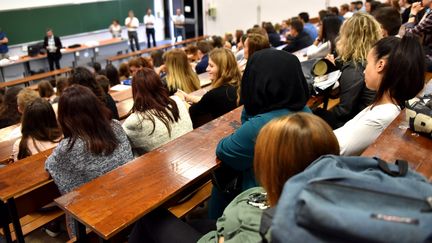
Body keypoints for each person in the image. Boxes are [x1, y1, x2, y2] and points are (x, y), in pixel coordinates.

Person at [128, 113, 340, 243]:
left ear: (273, 166)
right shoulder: (329, 201)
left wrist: (222, 238)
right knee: (197, 224)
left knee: (150, 216)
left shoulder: (268, 226)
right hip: (227, 228)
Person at [209, 48, 311, 219]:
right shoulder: (306, 112)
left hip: (258, 207)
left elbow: (224, 150)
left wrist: (251, 106)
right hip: (293, 198)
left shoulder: (260, 125)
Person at [45, 85, 133, 237]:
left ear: (65, 117)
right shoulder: (115, 126)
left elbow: (50, 166)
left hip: (94, 220)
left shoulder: (67, 148)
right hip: (128, 202)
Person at [335, 35, 424, 155]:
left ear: (380, 65)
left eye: (367, 63)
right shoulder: (384, 106)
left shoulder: (383, 116)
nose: (365, 70)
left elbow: (336, 150)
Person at [314, 12, 382, 129]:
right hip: (369, 116)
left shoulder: (355, 66)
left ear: (347, 37)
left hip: (357, 123)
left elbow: (344, 111)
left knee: (313, 114)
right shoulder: (376, 58)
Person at [122, 68, 192, 155]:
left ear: (135, 91)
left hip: (163, 165)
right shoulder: (177, 101)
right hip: (191, 152)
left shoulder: (135, 121)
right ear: (159, 84)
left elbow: (123, 145)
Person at [177, 48, 242, 128]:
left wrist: (181, 100)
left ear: (223, 69)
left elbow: (191, 111)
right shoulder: (238, 84)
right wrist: (189, 97)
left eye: (211, 66)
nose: (207, 69)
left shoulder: (215, 94)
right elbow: (206, 100)